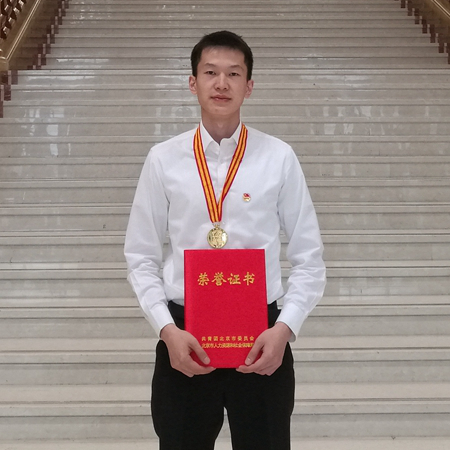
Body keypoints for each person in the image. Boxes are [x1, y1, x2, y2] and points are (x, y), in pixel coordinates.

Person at [124, 30, 326, 450]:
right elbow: (141, 256)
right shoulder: (163, 159)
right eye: (210, 72)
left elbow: (309, 256)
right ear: (192, 82)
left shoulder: (278, 157)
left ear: (249, 86)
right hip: (185, 337)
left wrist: (285, 329)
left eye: (233, 74)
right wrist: (166, 330)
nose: (221, 83)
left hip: (261, 338)